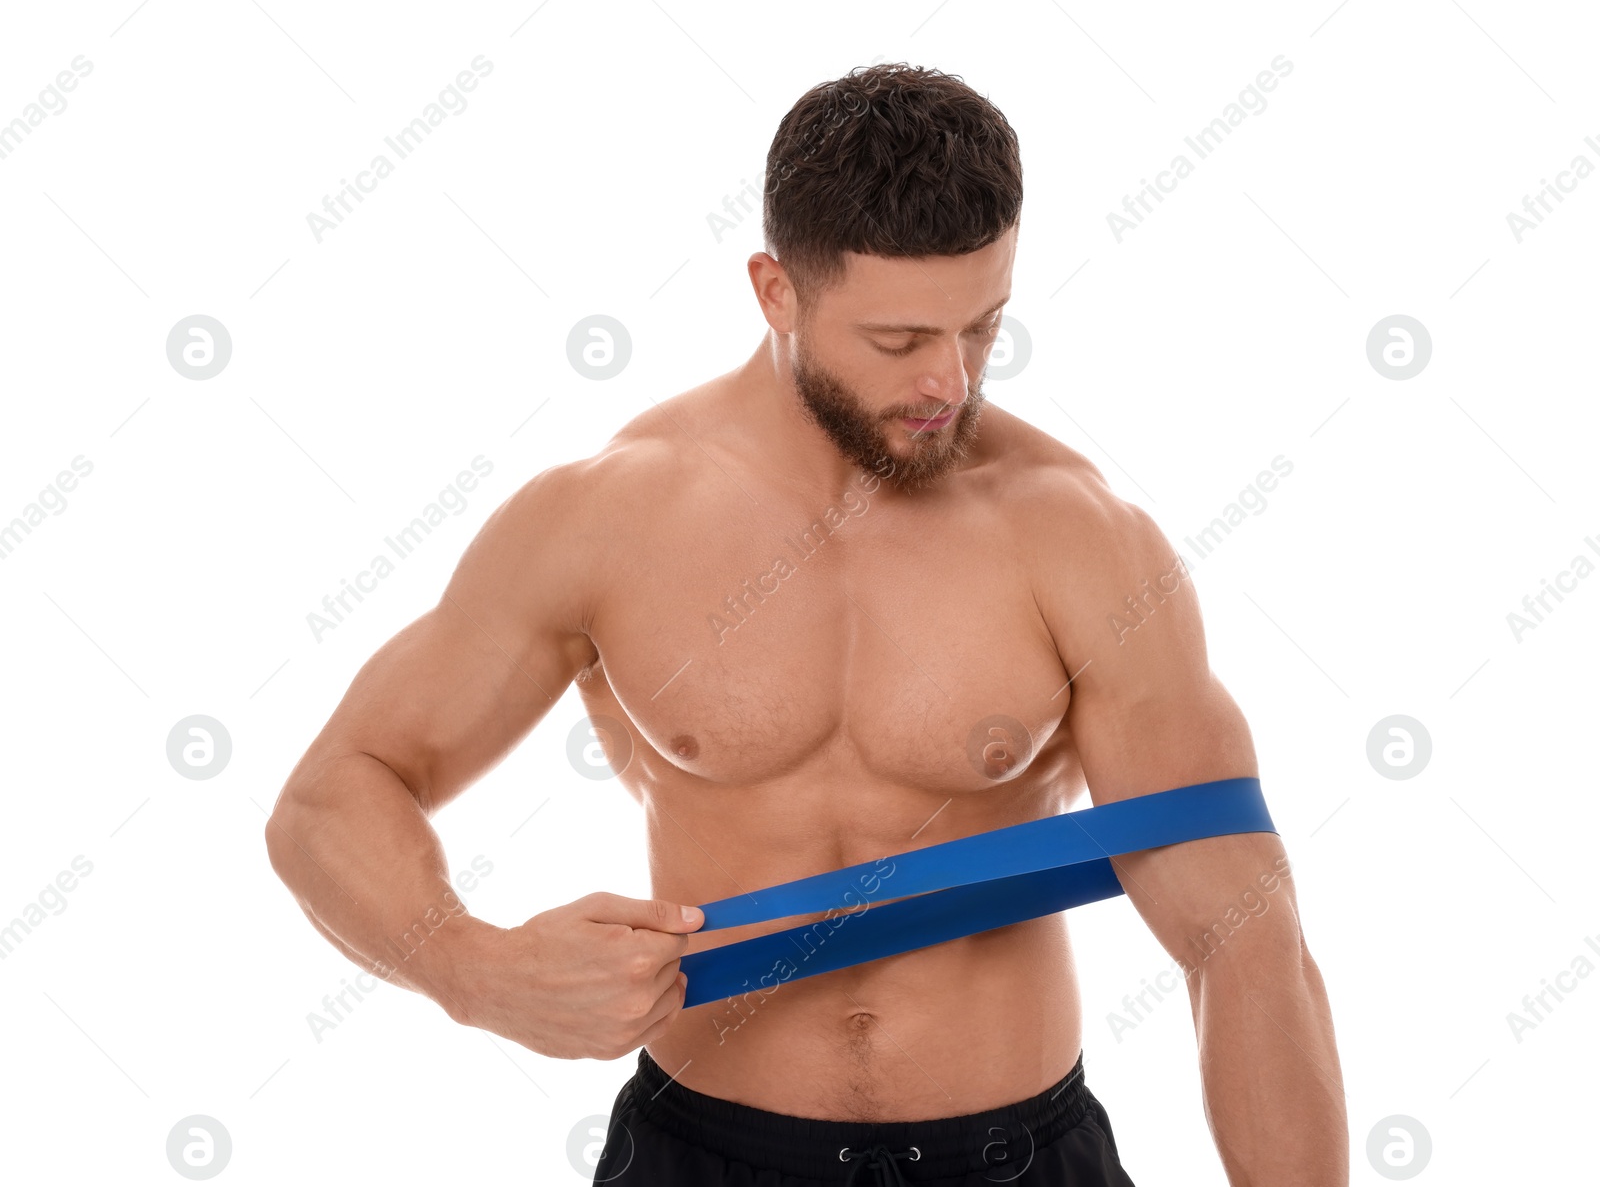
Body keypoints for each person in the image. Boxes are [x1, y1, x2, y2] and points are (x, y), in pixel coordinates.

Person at [265, 63, 1346, 1184]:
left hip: (1016, 1155)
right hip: (707, 1152)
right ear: (774, 291)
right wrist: (471, 970)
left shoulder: (1076, 539)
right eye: (897, 340)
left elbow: (1246, 941)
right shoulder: (607, 518)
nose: (947, 380)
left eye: (982, 327)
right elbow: (330, 795)